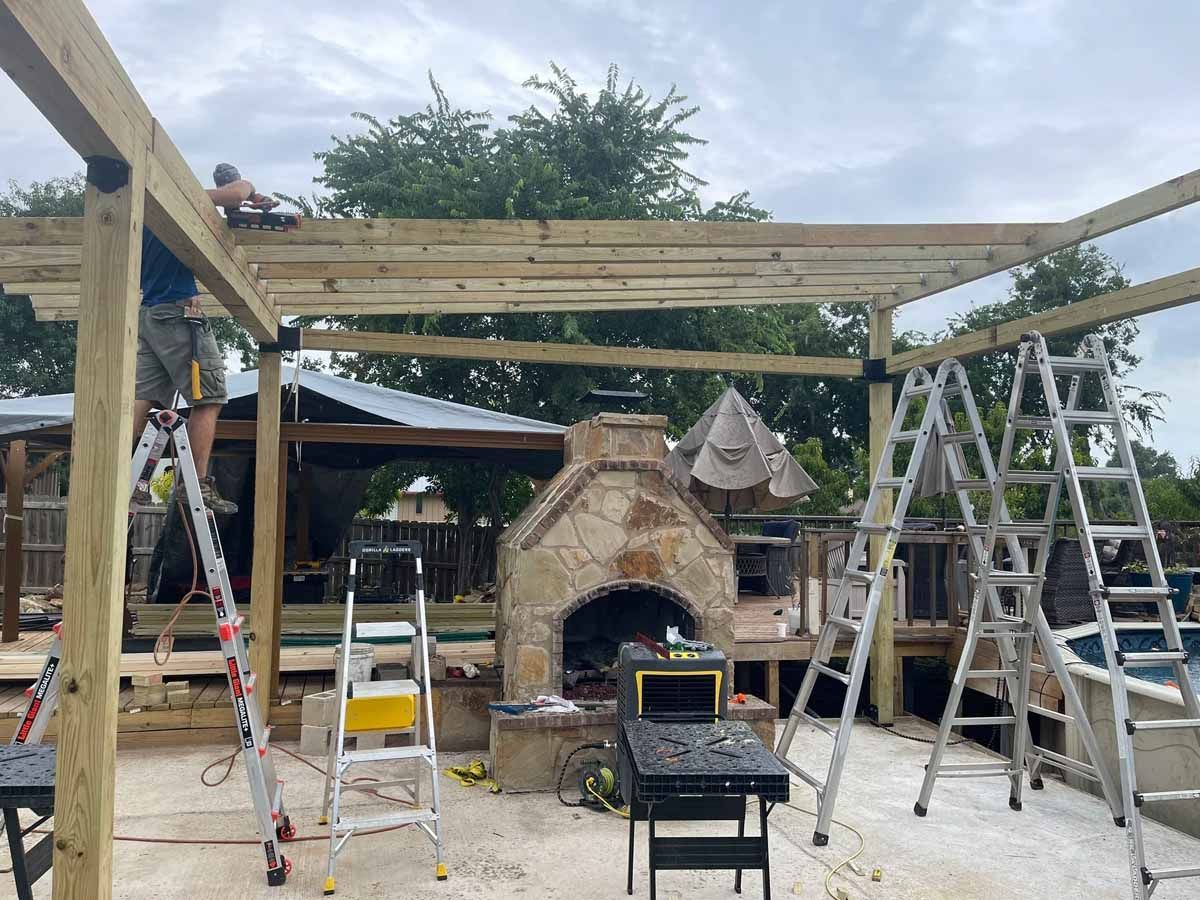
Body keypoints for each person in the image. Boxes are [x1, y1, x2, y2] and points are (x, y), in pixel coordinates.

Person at [133, 163, 265, 515]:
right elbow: (235, 193)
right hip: (177, 314)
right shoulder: (175, 201)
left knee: (144, 397)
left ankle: (118, 471)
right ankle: (196, 485)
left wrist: (237, 205)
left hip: (150, 316)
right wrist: (247, 189)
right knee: (208, 398)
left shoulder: (145, 212)